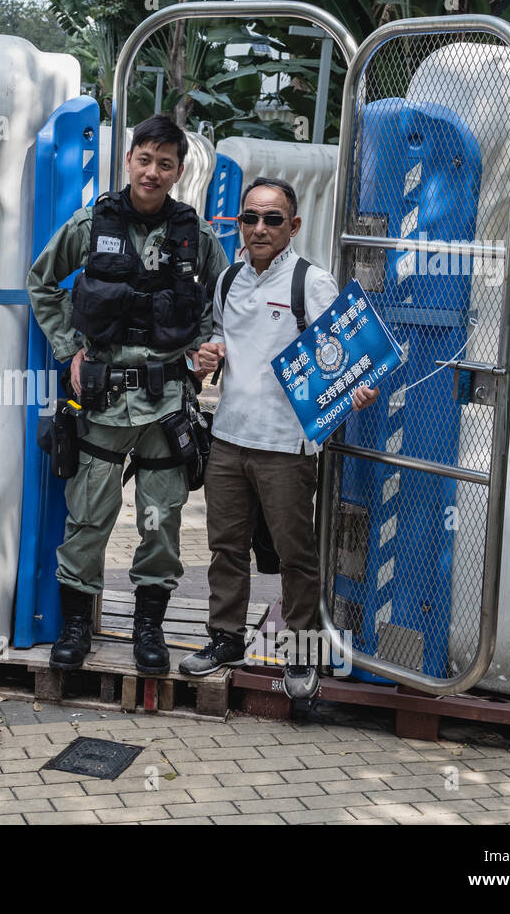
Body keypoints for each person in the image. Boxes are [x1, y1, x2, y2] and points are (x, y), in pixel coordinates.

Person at [27, 115, 228, 675]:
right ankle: (75, 628)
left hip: (167, 405)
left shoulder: (197, 237)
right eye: (145, 159)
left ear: (178, 171)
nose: (153, 171)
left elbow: (225, 298)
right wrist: (69, 348)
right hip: (104, 403)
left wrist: (209, 344)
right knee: (89, 518)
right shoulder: (91, 225)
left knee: (160, 523)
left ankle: (148, 630)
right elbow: (42, 281)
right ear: (129, 161)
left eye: (166, 163)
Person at [183, 176, 378, 698]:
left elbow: (349, 356)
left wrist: (359, 388)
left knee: (295, 555)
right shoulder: (228, 279)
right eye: (251, 217)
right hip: (228, 438)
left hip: (287, 448)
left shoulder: (310, 283)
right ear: (240, 223)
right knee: (225, 548)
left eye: (273, 219)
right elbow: (217, 340)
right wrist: (205, 356)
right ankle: (224, 638)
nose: (260, 227)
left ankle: (301, 653)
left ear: (292, 226)